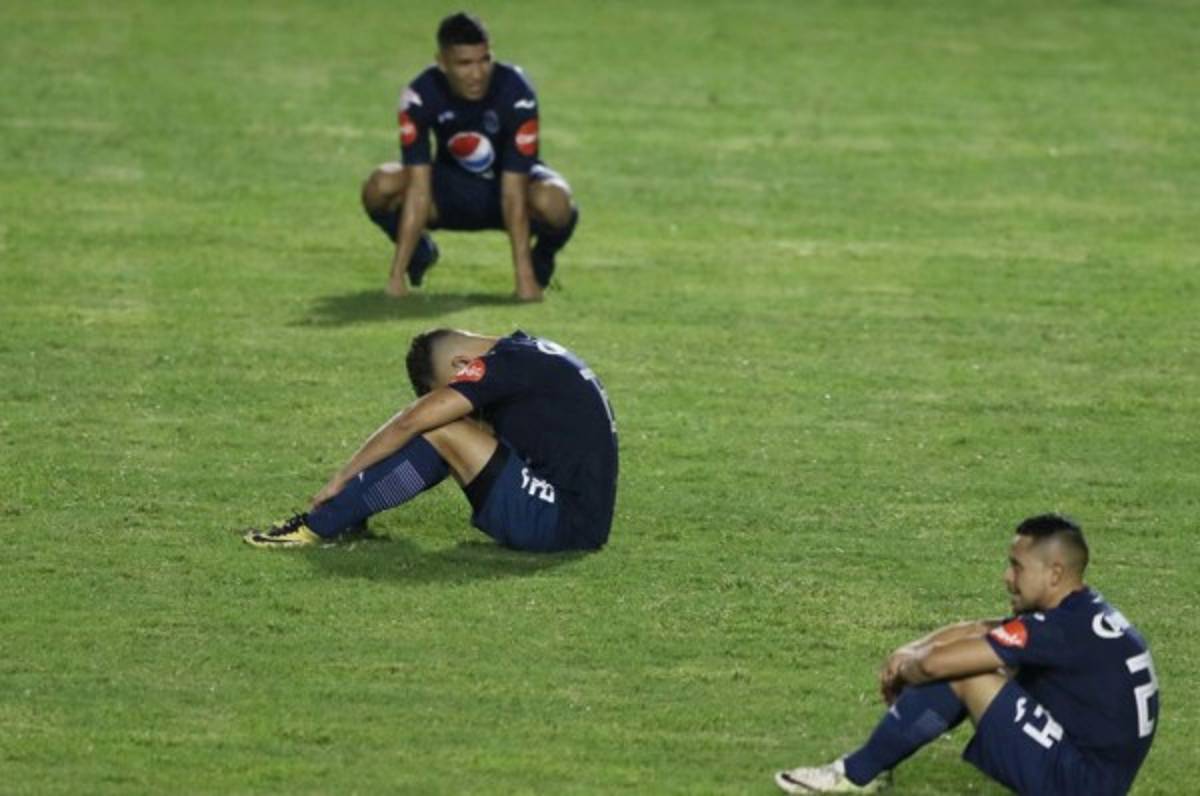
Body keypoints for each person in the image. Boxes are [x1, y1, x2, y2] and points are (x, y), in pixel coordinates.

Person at [775, 514, 1159, 795]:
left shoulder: (1057, 628)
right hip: (1097, 774)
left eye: (1016, 566)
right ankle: (870, 767)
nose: (1007, 577)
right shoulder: (1082, 613)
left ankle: (855, 775)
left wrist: (909, 667)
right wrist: (910, 649)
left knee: (966, 672)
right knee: (974, 658)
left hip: (1080, 784)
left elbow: (936, 665)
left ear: (1055, 573)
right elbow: (982, 629)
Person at [244, 329, 617, 553]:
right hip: (574, 517)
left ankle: (319, 525)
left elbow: (412, 420)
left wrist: (341, 477)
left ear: (460, 365)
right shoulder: (528, 352)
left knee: (443, 429)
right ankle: (349, 514)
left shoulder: (500, 364)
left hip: (561, 524)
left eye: (451, 387)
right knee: (454, 433)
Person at [360, 12, 579, 301]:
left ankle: (542, 258)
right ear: (442, 63)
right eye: (464, 64)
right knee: (380, 186)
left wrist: (524, 281)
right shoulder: (420, 95)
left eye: (484, 60)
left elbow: (514, 190)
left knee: (557, 202)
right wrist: (396, 276)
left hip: (507, 188)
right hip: (450, 189)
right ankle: (419, 252)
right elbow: (419, 185)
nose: (477, 74)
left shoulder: (516, 91)